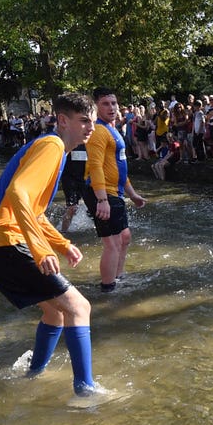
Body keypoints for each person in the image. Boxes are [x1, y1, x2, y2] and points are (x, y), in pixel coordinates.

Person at [0, 93, 103, 396]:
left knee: (55, 313)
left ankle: (33, 375)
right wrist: (42, 250)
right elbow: (19, 194)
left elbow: (34, 211)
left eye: (92, 122)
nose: (90, 128)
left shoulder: (52, 147)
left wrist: (61, 244)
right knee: (80, 307)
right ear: (63, 120)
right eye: (84, 121)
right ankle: (86, 392)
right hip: (3, 239)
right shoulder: (52, 145)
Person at [83, 87, 148, 293]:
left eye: (113, 103)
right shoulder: (99, 131)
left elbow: (118, 168)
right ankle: (108, 288)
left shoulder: (113, 130)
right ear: (96, 107)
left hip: (114, 192)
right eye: (105, 103)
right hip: (102, 192)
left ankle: (118, 277)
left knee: (124, 236)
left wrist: (133, 194)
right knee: (112, 243)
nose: (111, 107)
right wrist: (102, 199)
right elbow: (95, 166)